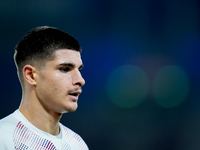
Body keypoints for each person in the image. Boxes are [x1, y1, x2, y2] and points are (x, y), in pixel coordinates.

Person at [0, 26, 89, 150]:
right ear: (31, 75)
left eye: (79, 70)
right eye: (65, 69)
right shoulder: (4, 139)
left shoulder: (77, 144)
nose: (80, 80)